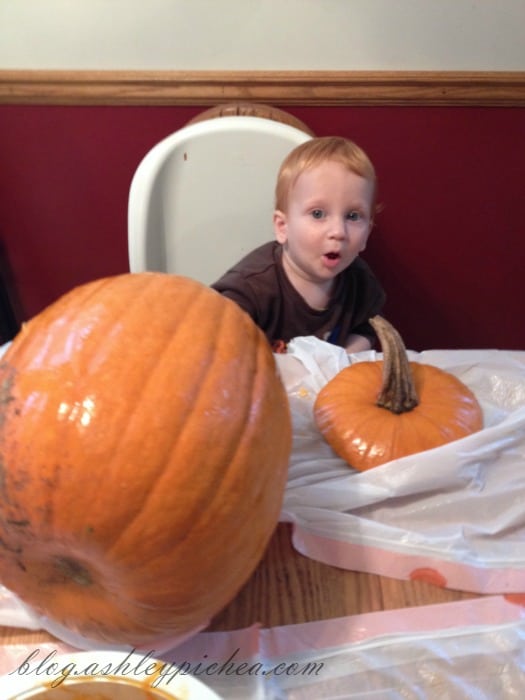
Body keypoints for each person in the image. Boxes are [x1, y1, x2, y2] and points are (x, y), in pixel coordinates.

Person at [211, 136, 386, 352]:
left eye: (352, 216)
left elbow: (366, 330)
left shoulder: (361, 284)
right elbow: (216, 341)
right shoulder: (251, 290)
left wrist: (342, 360)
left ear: (367, 232)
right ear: (283, 227)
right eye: (318, 213)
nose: (338, 232)